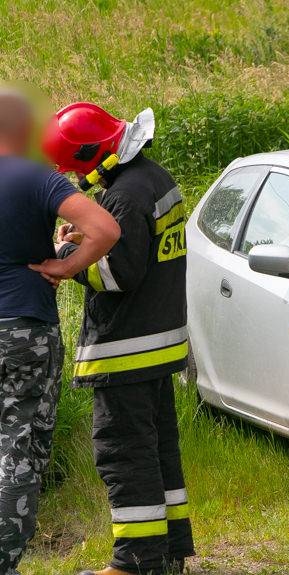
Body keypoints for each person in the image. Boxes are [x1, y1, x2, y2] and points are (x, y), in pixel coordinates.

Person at [34, 102, 194, 575]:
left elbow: (117, 274)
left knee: (123, 453)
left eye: (74, 167)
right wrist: (85, 238)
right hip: (158, 344)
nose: (74, 177)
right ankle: (168, 553)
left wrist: (68, 258)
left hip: (127, 351)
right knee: (158, 451)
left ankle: (134, 563)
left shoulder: (125, 195)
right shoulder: (155, 179)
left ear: (95, 155)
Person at [0, 89, 118, 574]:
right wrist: (65, 266)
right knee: (18, 447)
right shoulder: (37, 178)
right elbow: (106, 230)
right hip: (25, 330)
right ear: (27, 130)